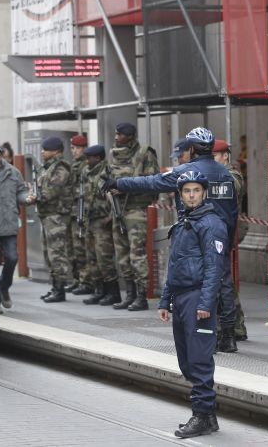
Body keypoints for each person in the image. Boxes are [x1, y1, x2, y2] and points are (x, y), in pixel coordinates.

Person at [102, 127, 239, 352]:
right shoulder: (225, 173)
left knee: (197, 286)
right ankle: (229, 336)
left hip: (193, 236)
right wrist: (228, 239)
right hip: (219, 235)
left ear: (192, 148)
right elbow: (232, 211)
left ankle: (206, 337)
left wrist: (119, 183)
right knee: (222, 283)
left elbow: (152, 182)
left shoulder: (186, 171)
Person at [158, 171, 226, 439]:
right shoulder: (184, 222)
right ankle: (208, 415)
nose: (191, 195)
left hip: (199, 297)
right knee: (186, 361)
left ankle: (202, 414)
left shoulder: (211, 224)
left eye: (196, 190)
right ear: (181, 195)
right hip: (181, 298)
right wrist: (165, 300)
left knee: (198, 360)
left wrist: (206, 303)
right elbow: (174, 265)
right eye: (187, 191)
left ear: (204, 193)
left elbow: (214, 268)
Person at [107, 122, 160, 311]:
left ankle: (141, 296)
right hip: (118, 210)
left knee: (137, 254)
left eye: (120, 134)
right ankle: (129, 294)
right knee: (122, 255)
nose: (116, 137)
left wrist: (123, 186)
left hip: (136, 210)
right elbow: (107, 178)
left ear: (129, 136)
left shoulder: (145, 153)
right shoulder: (114, 155)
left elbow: (152, 182)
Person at [0, 141, 35, 314]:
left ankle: (4, 287)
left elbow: (20, 191)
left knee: (12, 258)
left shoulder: (13, 172)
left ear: (1, 154)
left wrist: (26, 198)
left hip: (9, 224)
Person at [211, 139, 248, 342]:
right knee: (225, 282)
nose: (211, 161)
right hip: (214, 234)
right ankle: (237, 325)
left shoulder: (233, 174)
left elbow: (233, 188)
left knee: (222, 282)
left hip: (224, 235)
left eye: (214, 157)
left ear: (225, 156)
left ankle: (231, 327)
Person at [32, 136, 72, 303]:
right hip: (47, 215)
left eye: (45, 149)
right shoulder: (46, 167)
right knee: (48, 253)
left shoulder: (61, 167)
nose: (42, 152)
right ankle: (55, 286)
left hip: (57, 215)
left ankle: (60, 289)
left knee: (57, 253)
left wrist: (36, 196)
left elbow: (52, 191)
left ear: (55, 151)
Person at [80, 145, 120, 306]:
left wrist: (111, 216)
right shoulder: (86, 172)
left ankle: (113, 292)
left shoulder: (107, 171)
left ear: (97, 158)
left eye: (89, 157)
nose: (87, 160)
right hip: (90, 220)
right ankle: (99, 290)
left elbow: (114, 197)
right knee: (92, 258)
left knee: (104, 258)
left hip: (103, 221)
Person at [65, 135, 92, 296]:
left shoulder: (85, 166)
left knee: (81, 248)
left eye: (76, 148)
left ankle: (86, 281)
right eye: (73, 148)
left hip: (81, 211)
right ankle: (77, 279)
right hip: (72, 211)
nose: (74, 151)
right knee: (73, 249)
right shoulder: (74, 165)